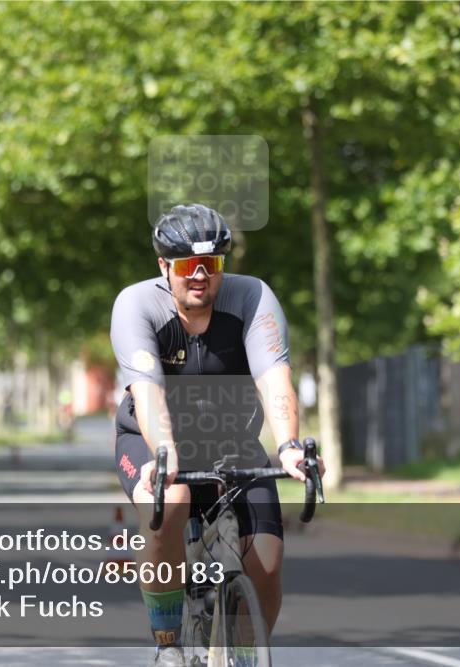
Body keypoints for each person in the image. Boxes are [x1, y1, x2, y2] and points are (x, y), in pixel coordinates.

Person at [110, 203, 325, 666]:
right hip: (149, 443)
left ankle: (245, 653)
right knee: (175, 499)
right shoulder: (137, 305)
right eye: (188, 265)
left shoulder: (252, 298)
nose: (201, 275)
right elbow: (146, 392)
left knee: (266, 560)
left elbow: (274, 378)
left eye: (213, 264)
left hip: (233, 444)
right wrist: (163, 455)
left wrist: (288, 447)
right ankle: (167, 643)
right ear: (164, 266)